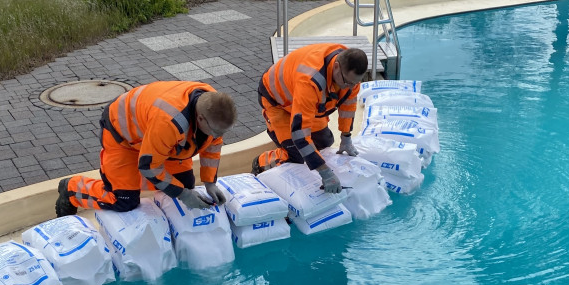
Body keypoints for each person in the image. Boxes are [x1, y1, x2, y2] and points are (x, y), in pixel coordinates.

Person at [55, 81, 237, 217]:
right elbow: (150, 167)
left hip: (157, 140)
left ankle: (134, 181)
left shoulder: (213, 106)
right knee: (124, 200)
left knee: (184, 185)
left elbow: (212, 146)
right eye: (215, 131)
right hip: (123, 138)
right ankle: (72, 189)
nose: (217, 136)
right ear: (200, 119)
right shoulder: (169, 122)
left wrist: (209, 182)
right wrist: (183, 194)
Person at [251, 43, 368, 193]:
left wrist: (346, 136)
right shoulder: (310, 80)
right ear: (337, 67)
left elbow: (348, 105)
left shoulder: (349, 76)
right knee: (298, 156)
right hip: (279, 103)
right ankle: (261, 163)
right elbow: (300, 135)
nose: (350, 87)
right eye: (347, 82)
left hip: (304, 101)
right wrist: (325, 173)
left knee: (325, 142)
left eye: (355, 83)